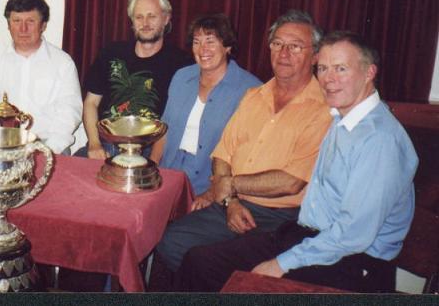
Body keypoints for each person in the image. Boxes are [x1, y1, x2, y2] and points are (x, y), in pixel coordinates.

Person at [179, 31, 418, 292]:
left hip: (356, 262)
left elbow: (352, 236)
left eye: (341, 68)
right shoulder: (342, 118)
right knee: (200, 262)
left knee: (245, 281)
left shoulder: (378, 139)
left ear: (369, 72)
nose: (328, 79)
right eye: (323, 68)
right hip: (312, 237)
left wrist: (280, 264)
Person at [154, 9, 331, 276]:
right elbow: (223, 154)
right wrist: (230, 202)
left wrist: (228, 187)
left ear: (315, 55)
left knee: (205, 260)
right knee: (170, 241)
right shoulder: (254, 96)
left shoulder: (324, 108)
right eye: (277, 44)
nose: (284, 54)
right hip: (232, 202)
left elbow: (291, 181)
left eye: (295, 46)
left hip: (279, 216)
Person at [149, 14, 261, 196]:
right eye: (196, 42)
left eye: (210, 41)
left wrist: (212, 194)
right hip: (167, 174)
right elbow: (164, 130)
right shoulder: (181, 77)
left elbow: (246, 155)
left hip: (209, 185)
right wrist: (151, 168)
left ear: (227, 46)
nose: (203, 49)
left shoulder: (250, 89)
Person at [81, 0, 191, 159]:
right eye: (139, 17)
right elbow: (91, 103)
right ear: (132, 21)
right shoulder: (111, 52)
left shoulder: (182, 64)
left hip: (149, 150)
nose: (145, 23)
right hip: (104, 144)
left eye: (152, 16)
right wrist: (94, 145)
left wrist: (153, 162)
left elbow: (175, 121)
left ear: (166, 19)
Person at [0, 0, 82, 154]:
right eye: (16, 21)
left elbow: (69, 112)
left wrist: (46, 150)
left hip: (49, 144)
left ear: (43, 25)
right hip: (1, 145)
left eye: (30, 21)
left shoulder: (62, 63)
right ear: (8, 24)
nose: (23, 28)